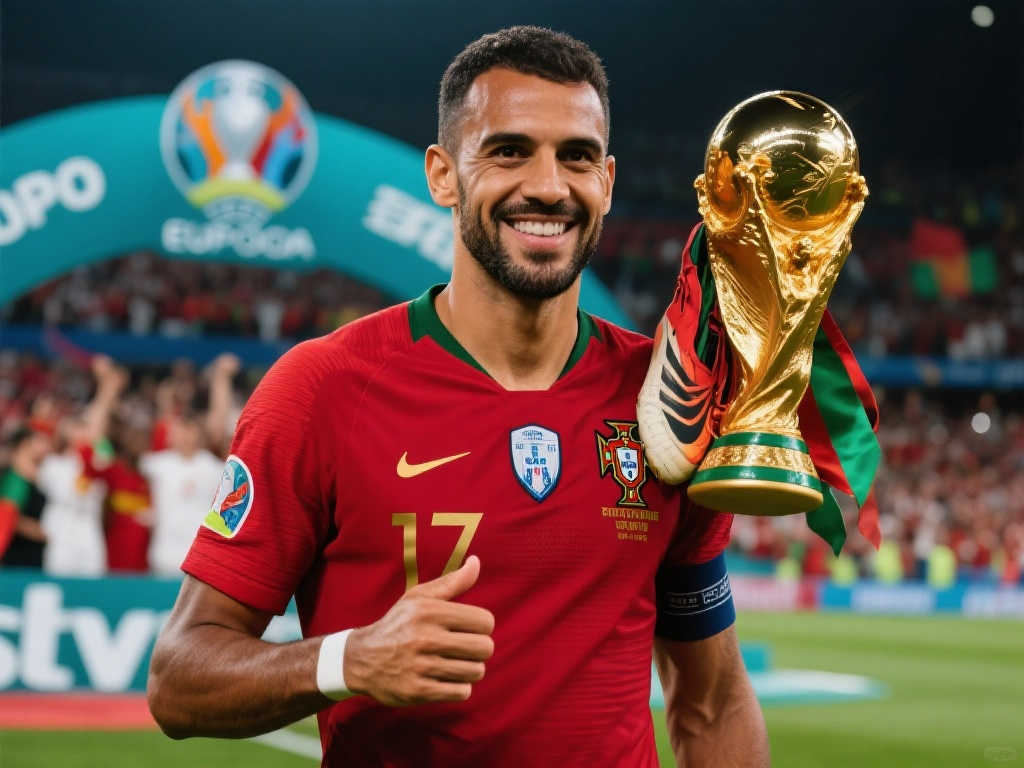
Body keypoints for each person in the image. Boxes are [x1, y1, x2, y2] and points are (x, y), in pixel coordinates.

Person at [148, 26, 769, 767]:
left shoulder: (671, 402)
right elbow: (178, 678)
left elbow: (712, 702)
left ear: (606, 181)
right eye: (509, 151)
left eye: (576, 156)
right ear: (443, 176)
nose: (549, 186)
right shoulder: (323, 389)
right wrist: (347, 659)